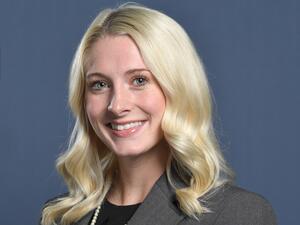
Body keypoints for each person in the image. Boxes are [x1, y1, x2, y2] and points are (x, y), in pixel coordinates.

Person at [40, 3, 277, 225]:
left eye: (139, 80)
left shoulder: (238, 213)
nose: (116, 105)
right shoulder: (61, 217)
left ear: (179, 89)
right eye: (99, 84)